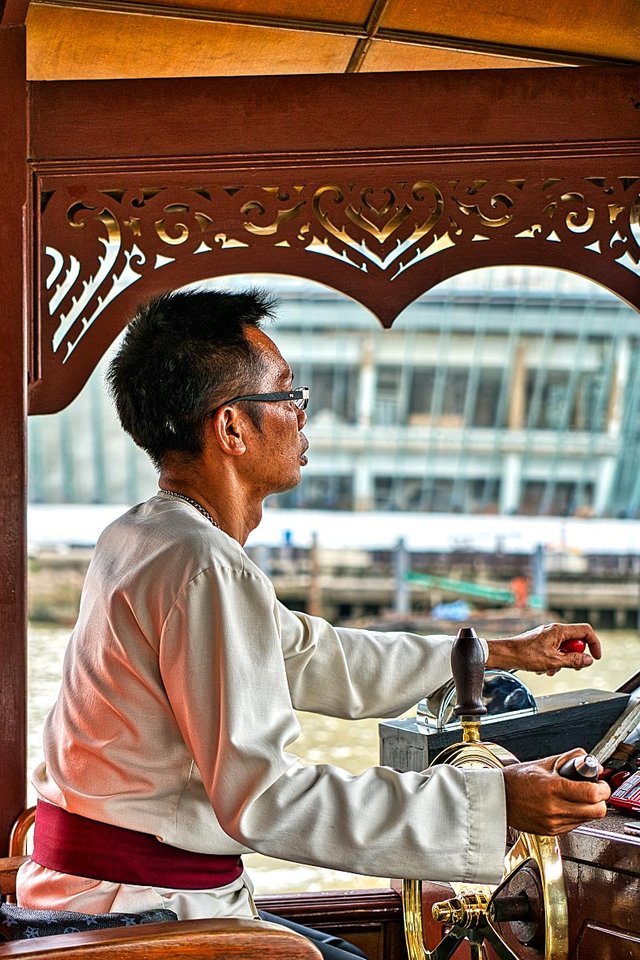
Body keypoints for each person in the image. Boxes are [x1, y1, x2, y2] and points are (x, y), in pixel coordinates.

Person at [17, 288, 610, 958]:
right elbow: (266, 797)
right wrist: (492, 801)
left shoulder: (145, 536)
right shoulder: (203, 564)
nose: (302, 417)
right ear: (231, 428)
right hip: (147, 910)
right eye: (287, 396)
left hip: (101, 890)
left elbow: (309, 654)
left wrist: (500, 652)